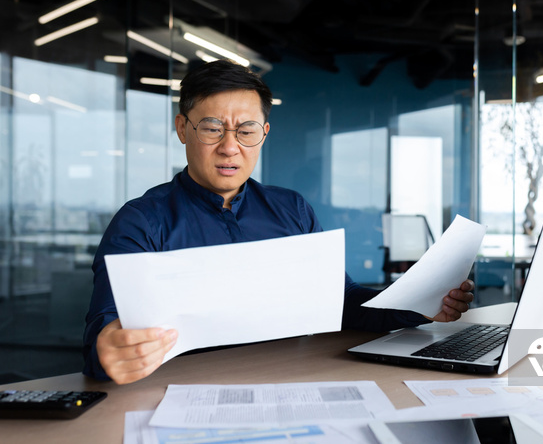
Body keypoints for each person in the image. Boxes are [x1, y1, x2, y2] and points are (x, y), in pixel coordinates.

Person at [83, 59, 475, 385]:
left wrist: (419, 306)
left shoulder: (292, 209)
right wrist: (110, 349)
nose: (230, 146)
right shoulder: (141, 221)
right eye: (212, 128)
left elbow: (339, 302)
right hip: (185, 396)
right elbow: (104, 333)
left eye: (246, 130)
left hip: (293, 384)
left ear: (264, 133)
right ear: (183, 128)